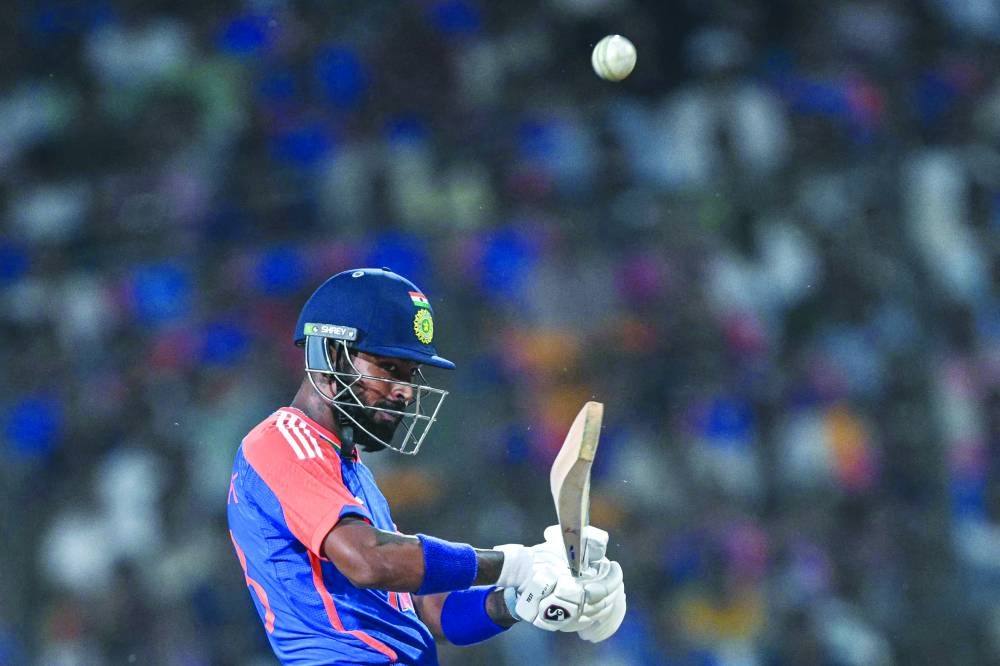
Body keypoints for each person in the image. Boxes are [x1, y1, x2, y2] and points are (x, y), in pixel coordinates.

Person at [226, 267, 626, 665]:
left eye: (410, 374)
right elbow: (371, 562)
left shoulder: (350, 471)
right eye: (389, 368)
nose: (405, 391)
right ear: (333, 354)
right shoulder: (280, 442)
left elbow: (422, 612)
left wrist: (521, 600)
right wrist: (515, 564)